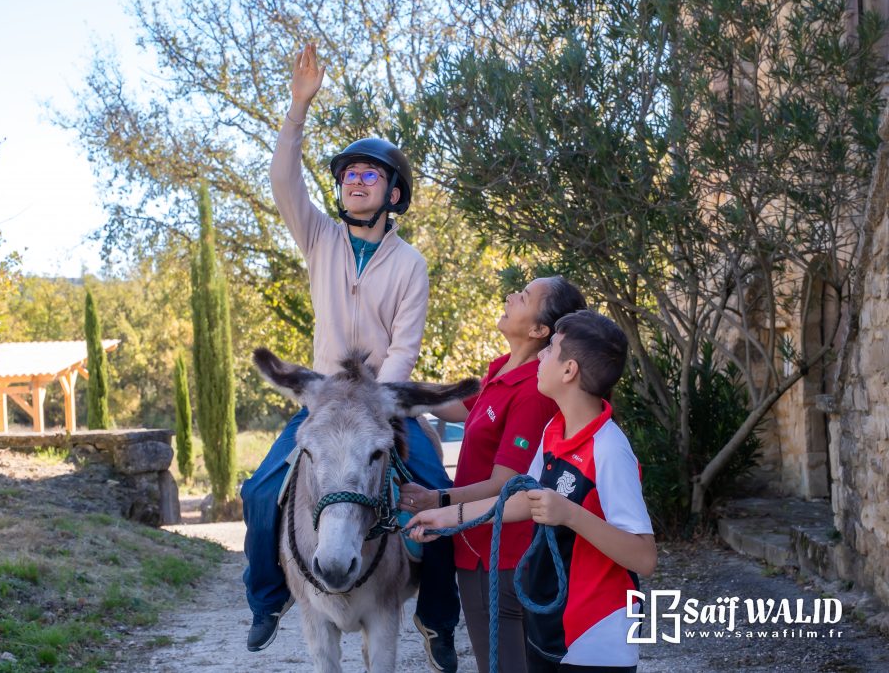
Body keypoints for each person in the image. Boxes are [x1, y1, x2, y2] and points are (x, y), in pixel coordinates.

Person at [239, 43, 461, 672]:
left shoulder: (410, 263)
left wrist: (383, 412)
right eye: (348, 174)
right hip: (322, 401)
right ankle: (268, 599)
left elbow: (405, 346)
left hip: (384, 406)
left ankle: (435, 616)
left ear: (395, 193)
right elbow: (284, 182)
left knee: (439, 498)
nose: (355, 180)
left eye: (370, 174)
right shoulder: (320, 239)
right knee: (260, 494)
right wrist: (298, 106)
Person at [407, 310, 657, 672]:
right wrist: (444, 517)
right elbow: (524, 499)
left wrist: (570, 514)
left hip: (595, 634)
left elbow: (644, 557)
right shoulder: (555, 430)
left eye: (551, 348)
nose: (541, 355)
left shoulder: (609, 449)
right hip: (551, 620)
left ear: (569, 371)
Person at [398, 275, 586, 673]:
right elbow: (457, 406)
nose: (509, 296)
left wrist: (439, 501)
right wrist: (398, 389)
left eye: (524, 296)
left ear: (539, 330)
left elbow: (507, 483)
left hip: (502, 552)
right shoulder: (502, 374)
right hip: (479, 545)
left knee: (503, 664)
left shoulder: (532, 392)